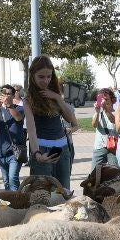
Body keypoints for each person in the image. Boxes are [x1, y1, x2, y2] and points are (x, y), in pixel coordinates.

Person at [24, 55, 78, 191]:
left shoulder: (55, 94)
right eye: (41, 77)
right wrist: (36, 154)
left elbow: (70, 119)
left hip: (63, 149)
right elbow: (31, 129)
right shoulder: (29, 99)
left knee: (63, 191)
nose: (45, 80)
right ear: (32, 76)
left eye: (48, 76)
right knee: (42, 194)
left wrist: (58, 98)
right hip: (42, 151)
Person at [0, 84, 26, 190]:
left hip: (15, 152)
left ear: (14, 95)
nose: (6, 96)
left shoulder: (20, 108)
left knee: (12, 179)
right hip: (2, 152)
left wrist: (9, 105)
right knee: (6, 181)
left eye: (9, 94)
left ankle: (17, 203)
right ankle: (9, 201)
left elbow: (18, 118)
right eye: (4, 94)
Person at [90, 87, 119, 173]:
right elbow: (94, 125)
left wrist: (106, 110)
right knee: (94, 174)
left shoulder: (116, 112)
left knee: (114, 174)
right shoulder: (98, 112)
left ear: (112, 100)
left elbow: (114, 122)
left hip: (112, 148)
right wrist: (98, 111)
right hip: (99, 147)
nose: (104, 101)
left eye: (106, 99)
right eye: (101, 99)